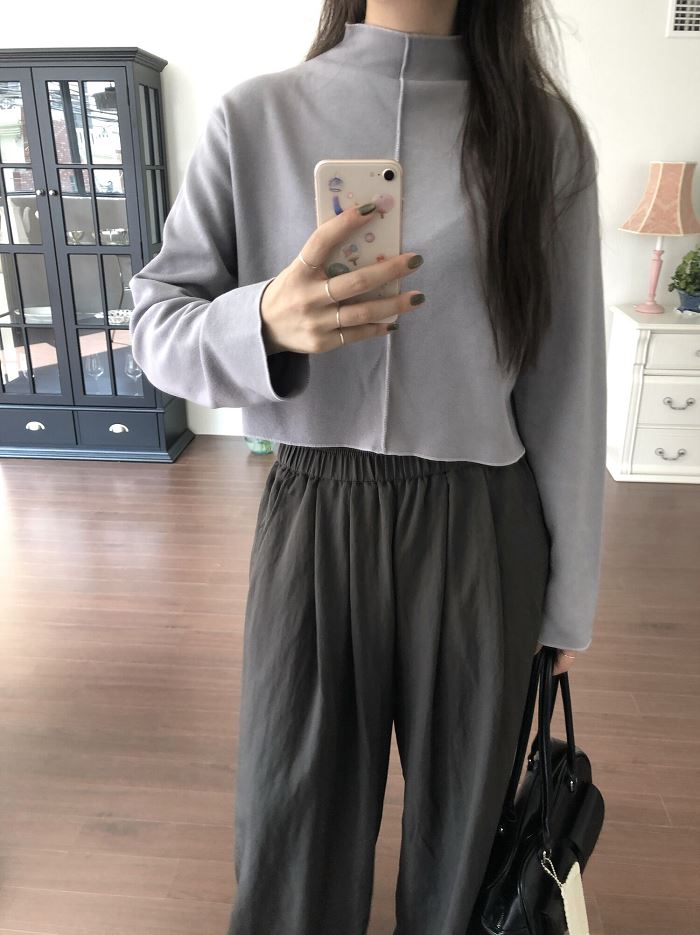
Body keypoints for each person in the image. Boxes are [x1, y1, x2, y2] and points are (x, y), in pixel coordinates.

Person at [128, 1, 606, 932]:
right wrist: (261, 320)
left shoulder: (542, 136)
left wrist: (570, 594)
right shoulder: (257, 117)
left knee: (462, 846)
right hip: (315, 512)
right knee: (290, 833)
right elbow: (155, 326)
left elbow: (566, 381)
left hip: (482, 526)